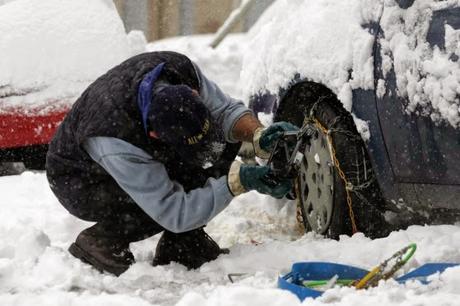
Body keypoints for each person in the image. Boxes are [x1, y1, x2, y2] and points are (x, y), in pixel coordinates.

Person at [46, 51, 298, 276]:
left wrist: (257, 135)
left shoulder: (179, 70)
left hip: (137, 138)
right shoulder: (117, 143)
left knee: (224, 140)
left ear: (194, 94)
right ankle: (102, 239)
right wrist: (238, 181)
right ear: (157, 136)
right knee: (156, 203)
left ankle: (182, 244)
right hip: (81, 180)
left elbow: (225, 111)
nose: (208, 157)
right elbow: (172, 211)